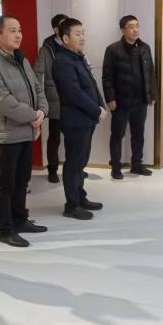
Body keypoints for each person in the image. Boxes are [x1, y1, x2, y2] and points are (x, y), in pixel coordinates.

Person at [0, 15, 49, 247]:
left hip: (26, 131)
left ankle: (20, 219)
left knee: (21, 181)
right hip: (5, 135)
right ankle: (5, 230)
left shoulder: (20, 59)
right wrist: (33, 116)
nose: (18, 35)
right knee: (5, 186)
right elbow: (1, 100)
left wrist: (42, 111)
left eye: (20, 30)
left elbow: (37, 88)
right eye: (12, 30)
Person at [52, 18, 107, 220]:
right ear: (65, 38)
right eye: (77, 34)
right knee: (74, 164)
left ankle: (80, 197)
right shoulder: (62, 61)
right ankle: (72, 205)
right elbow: (73, 93)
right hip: (75, 121)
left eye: (83, 33)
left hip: (87, 119)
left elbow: (92, 85)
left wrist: (100, 106)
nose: (82, 37)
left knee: (81, 162)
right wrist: (95, 110)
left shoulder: (78, 57)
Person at [103, 15, 156, 179]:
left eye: (137, 26)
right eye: (131, 27)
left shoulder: (145, 48)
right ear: (123, 30)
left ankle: (136, 165)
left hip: (140, 101)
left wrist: (151, 95)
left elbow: (151, 73)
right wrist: (110, 99)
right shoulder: (113, 49)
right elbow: (107, 77)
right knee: (117, 135)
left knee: (138, 134)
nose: (135, 29)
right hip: (121, 102)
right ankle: (115, 167)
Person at [34, 13, 68, 183]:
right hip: (54, 99)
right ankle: (52, 169)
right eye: (63, 25)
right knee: (55, 137)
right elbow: (37, 73)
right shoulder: (46, 48)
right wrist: (41, 99)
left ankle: (72, 169)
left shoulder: (72, 44)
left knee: (73, 137)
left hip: (72, 99)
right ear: (55, 29)